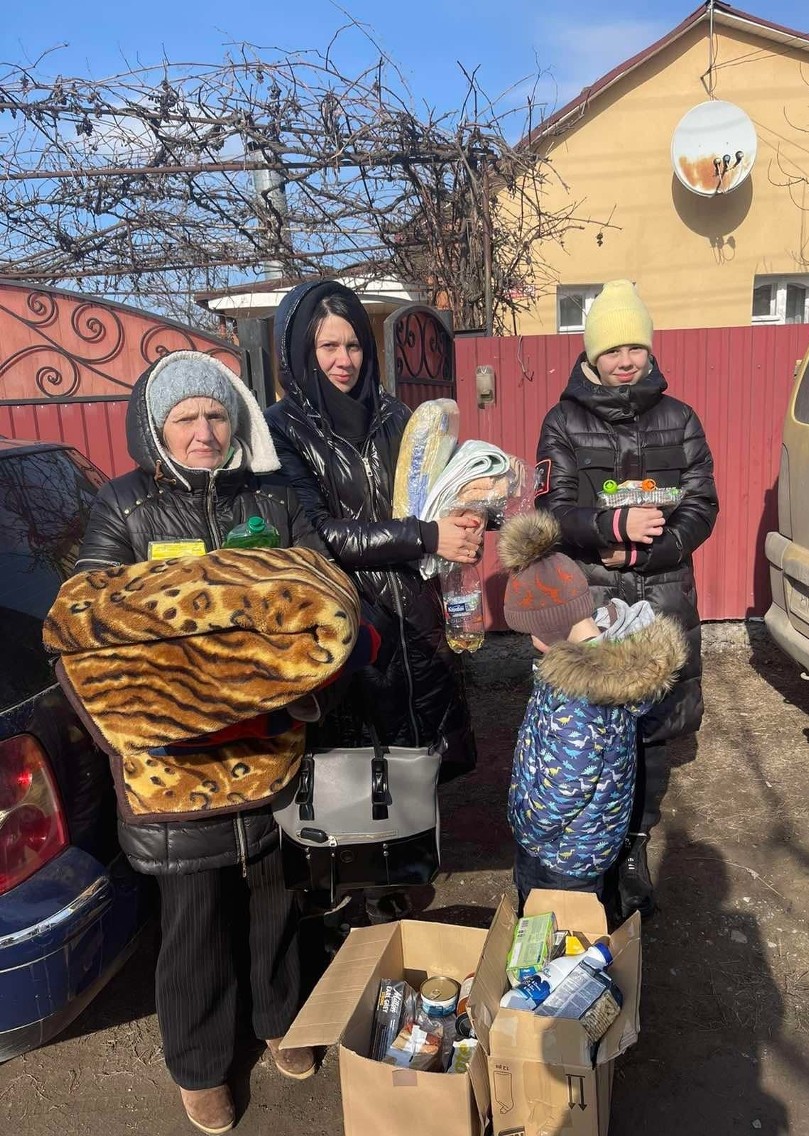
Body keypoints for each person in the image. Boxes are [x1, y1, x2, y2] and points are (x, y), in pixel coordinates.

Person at [76, 351, 330, 1136]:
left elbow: (321, 594)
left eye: (216, 415)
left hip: (268, 746)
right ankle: (198, 1062)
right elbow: (91, 625)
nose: (203, 431)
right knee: (191, 918)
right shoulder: (124, 508)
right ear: (156, 428)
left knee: (272, 895)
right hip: (174, 764)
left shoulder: (275, 500)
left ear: (236, 421)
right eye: (185, 417)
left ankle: (280, 1017)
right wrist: (135, 724)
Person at [265, 282, 481, 918]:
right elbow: (320, 534)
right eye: (328, 345)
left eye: (354, 344)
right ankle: (351, 901)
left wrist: (468, 511)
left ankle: (404, 881)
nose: (344, 359)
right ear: (301, 352)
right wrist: (425, 534)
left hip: (413, 610)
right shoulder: (283, 432)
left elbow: (430, 491)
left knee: (413, 757)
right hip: (347, 622)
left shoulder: (393, 416)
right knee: (350, 768)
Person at [534, 279, 718, 918]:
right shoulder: (563, 421)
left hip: (664, 600)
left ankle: (636, 844)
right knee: (594, 734)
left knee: (654, 735)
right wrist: (610, 532)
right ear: (591, 354)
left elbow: (701, 505)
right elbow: (550, 512)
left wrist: (646, 552)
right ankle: (592, 851)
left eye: (636, 346)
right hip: (595, 606)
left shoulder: (680, 418)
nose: (626, 360)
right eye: (614, 349)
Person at [497, 509, 687, 912]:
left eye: (531, 631)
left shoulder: (577, 696)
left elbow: (566, 787)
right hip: (590, 840)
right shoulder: (610, 667)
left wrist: (527, 826)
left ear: (550, 630)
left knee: (551, 929)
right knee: (576, 921)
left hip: (560, 850)